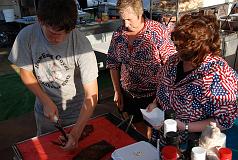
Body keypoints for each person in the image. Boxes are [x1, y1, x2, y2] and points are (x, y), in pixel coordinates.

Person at [8, 0, 98, 150]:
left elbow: (91, 94)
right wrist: (45, 101)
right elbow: (25, 72)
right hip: (45, 113)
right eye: (51, 33)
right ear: (40, 20)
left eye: (63, 34)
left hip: (76, 114)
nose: (57, 39)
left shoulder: (81, 44)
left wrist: (75, 133)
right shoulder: (27, 36)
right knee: (47, 151)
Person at [147, 13, 238, 141]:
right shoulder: (174, 60)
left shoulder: (217, 76)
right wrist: (155, 104)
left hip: (189, 143)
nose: (176, 48)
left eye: (182, 47)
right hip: (162, 134)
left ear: (201, 48)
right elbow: (164, 87)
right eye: (177, 44)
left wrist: (185, 126)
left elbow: (224, 121)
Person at [106, 0, 176, 137]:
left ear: (140, 13)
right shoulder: (118, 34)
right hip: (128, 93)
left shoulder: (157, 31)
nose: (126, 24)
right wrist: (117, 91)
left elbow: (171, 64)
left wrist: (158, 98)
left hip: (153, 95)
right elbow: (113, 63)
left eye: (129, 19)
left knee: (154, 131)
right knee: (136, 131)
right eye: (123, 20)